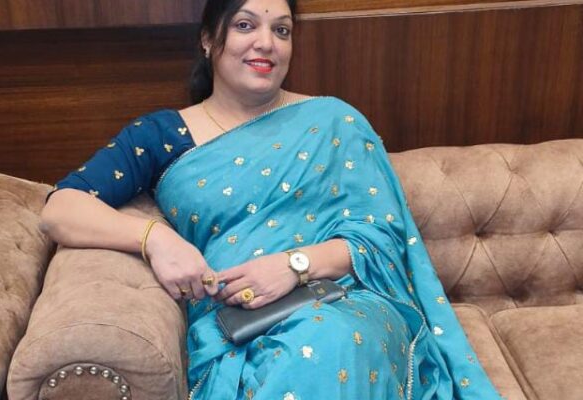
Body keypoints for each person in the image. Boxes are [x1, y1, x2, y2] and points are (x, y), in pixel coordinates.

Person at [40, 0, 503, 399]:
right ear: (208, 39)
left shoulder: (334, 120)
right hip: (239, 319)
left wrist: (293, 266)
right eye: (246, 25)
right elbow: (61, 208)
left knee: (331, 340)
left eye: (281, 30)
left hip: (345, 302)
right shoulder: (162, 134)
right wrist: (154, 238)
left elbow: (381, 239)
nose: (266, 43)